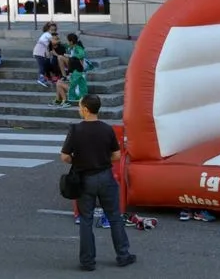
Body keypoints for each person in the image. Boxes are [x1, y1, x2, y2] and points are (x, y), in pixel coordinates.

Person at [60, 94, 137, 271]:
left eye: (80, 106)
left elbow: (64, 156)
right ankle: (123, 255)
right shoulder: (107, 129)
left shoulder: (76, 130)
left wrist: (79, 160)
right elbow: (116, 155)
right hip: (105, 176)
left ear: (85, 109)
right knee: (114, 216)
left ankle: (87, 261)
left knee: (86, 219)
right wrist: (101, 159)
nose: (79, 109)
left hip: (84, 178)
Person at [33, 22, 59, 87]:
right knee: (42, 65)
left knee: (45, 64)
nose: (53, 31)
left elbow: (49, 48)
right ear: (47, 29)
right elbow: (54, 42)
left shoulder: (47, 35)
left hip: (41, 52)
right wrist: (59, 41)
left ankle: (45, 77)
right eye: (51, 30)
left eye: (54, 30)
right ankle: (41, 78)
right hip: (39, 52)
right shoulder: (47, 34)